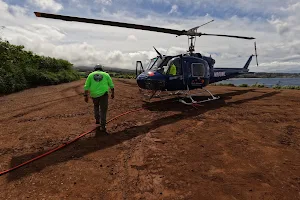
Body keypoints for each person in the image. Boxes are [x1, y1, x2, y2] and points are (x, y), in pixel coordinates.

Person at [84, 64, 114, 133]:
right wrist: (113, 93)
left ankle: (97, 120)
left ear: (95, 69)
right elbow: (111, 85)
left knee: (96, 106)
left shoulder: (90, 75)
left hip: (94, 95)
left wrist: (86, 96)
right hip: (104, 95)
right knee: (103, 110)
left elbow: (86, 86)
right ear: (101, 69)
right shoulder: (106, 75)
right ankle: (103, 126)